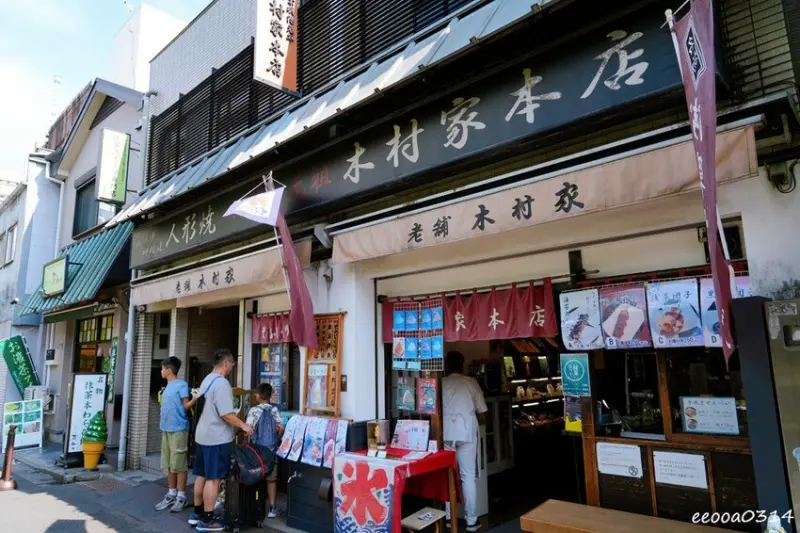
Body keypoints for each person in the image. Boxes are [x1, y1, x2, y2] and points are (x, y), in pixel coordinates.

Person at [188, 348, 254, 533]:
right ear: (226, 363)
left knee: (202, 474)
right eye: (232, 363)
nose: (233, 366)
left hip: (202, 436)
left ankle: (198, 513)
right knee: (214, 479)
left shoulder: (207, 379)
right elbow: (226, 413)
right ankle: (208, 520)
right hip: (216, 438)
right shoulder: (222, 384)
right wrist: (244, 426)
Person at [442, 350, 488, 532]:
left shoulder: (441, 383)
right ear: (462, 365)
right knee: (468, 477)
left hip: (446, 432)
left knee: (447, 476)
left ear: (446, 365)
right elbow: (482, 411)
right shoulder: (470, 382)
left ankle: (448, 517)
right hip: (467, 432)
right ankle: (471, 521)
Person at [155, 356, 198, 513]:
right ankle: (171, 493)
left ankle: (181, 496)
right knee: (169, 463)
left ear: (169, 370)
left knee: (179, 463)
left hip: (179, 428)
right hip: (166, 429)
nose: (161, 371)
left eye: (162, 368)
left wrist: (194, 399)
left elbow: (185, 406)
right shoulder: (166, 387)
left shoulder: (181, 385)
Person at [245, 382, 285, 519]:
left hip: (257, 451)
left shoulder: (253, 411)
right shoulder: (275, 410)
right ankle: (272, 508)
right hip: (271, 450)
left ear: (258, 396)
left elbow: (248, 430)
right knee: (271, 479)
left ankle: (256, 505)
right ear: (270, 396)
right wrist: (276, 439)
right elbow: (281, 428)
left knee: (257, 477)